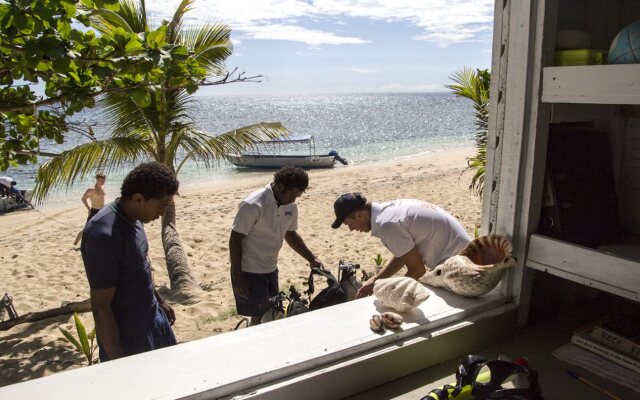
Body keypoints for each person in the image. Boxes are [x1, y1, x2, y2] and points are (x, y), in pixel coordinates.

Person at [81, 162, 178, 361]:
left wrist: (160, 302)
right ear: (138, 199)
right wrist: (119, 363)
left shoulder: (136, 219)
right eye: (161, 206)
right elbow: (101, 306)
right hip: (129, 336)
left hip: (155, 319)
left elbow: (140, 266)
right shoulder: (103, 235)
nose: (162, 213)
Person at [230, 166, 323, 325]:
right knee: (260, 315)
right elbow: (235, 240)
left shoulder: (291, 207)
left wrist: (311, 258)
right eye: (292, 195)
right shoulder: (253, 204)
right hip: (249, 270)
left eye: (298, 196)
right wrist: (238, 276)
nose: (294, 200)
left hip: (271, 268)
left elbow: (291, 235)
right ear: (279, 186)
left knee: (272, 313)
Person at [330, 193, 470, 298]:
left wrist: (390, 294)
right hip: (464, 256)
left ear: (359, 215)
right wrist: (376, 280)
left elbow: (417, 270)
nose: (351, 229)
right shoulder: (388, 211)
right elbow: (404, 254)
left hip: (459, 270)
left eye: (349, 224)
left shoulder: (387, 225)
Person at [74, 173, 107, 246]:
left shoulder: (102, 187)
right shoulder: (91, 190)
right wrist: (89, 209)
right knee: (87, 228)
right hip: (94, 210)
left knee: (102, 227)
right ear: (97, 179)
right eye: (101, 180)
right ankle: (75, 242)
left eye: (104, 180)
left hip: (102, 210)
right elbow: (83, 199)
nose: (103, 181)